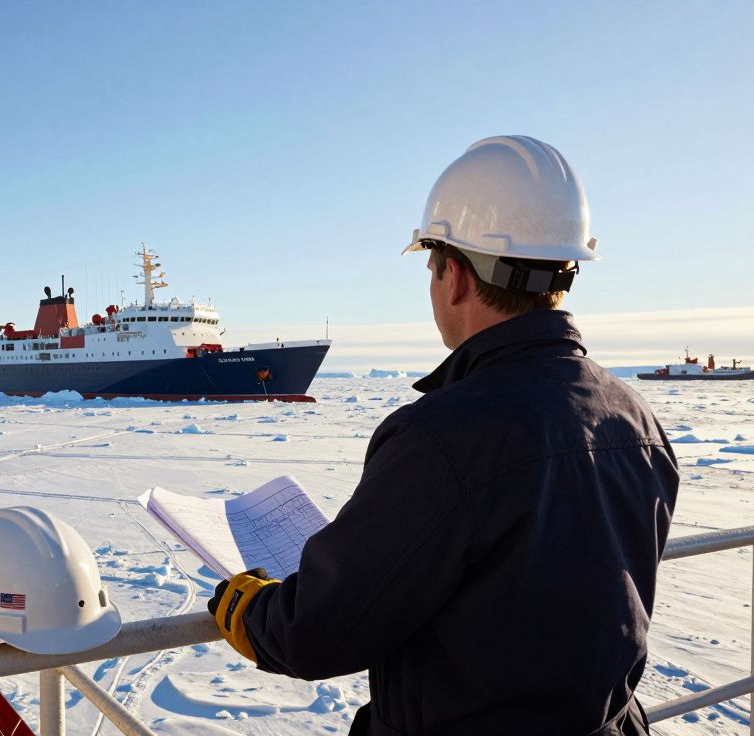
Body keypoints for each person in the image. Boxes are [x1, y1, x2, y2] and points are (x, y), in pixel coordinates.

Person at [208, 136, 679, 735]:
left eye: (432, 265)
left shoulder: (443, 435)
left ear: (453, 274)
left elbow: (319, 631)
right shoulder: (635, 419)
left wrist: (252, 611)